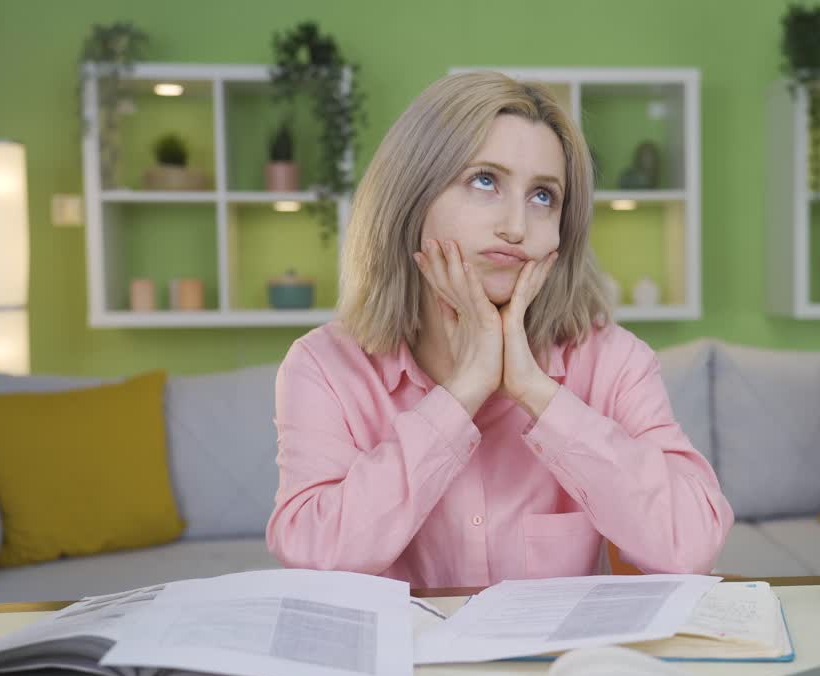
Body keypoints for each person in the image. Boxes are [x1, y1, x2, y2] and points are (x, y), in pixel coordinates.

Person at [266, 71, 733, 588]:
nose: (515, 226)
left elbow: (693, 545)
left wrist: (538, 393)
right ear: (411, 195)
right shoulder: (325, 367)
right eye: (484, 181)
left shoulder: (613, 361)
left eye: (542, 197)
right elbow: (313, 554)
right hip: (406, 665)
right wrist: (461, 394)